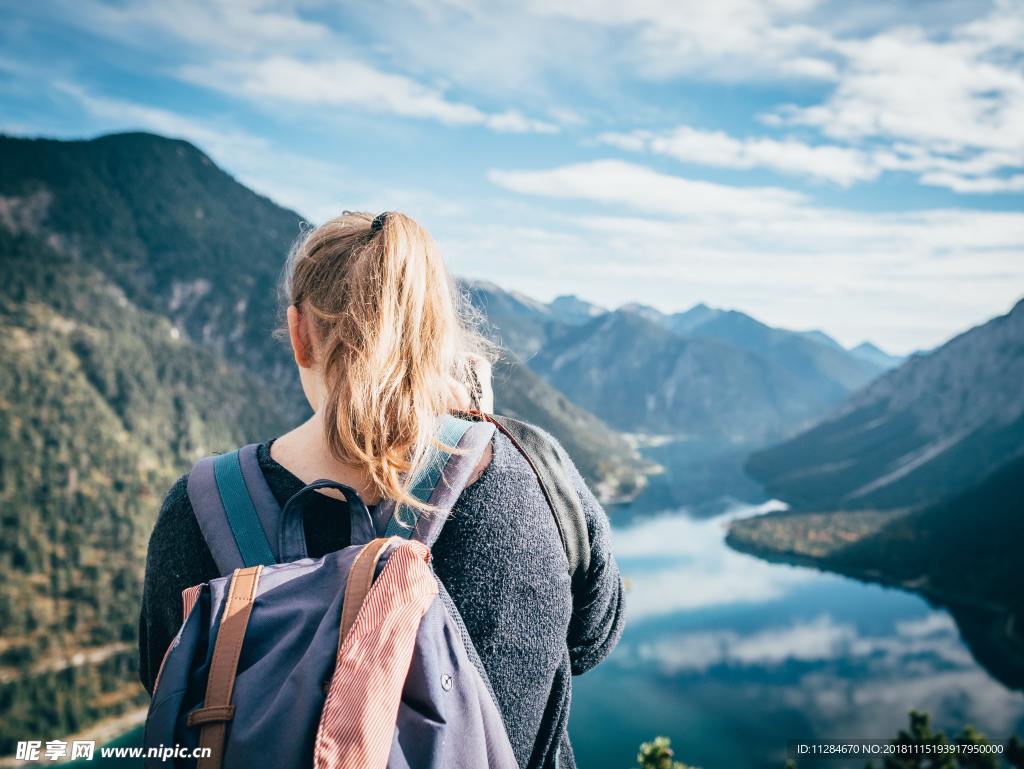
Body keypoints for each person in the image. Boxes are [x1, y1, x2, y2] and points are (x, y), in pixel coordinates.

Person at [138, 211, 624, 769]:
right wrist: (480, 428)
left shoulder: (198, 508)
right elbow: (592, 637)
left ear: (300, 334)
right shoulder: (535, 470)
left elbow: (166, 685)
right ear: (437, 335)